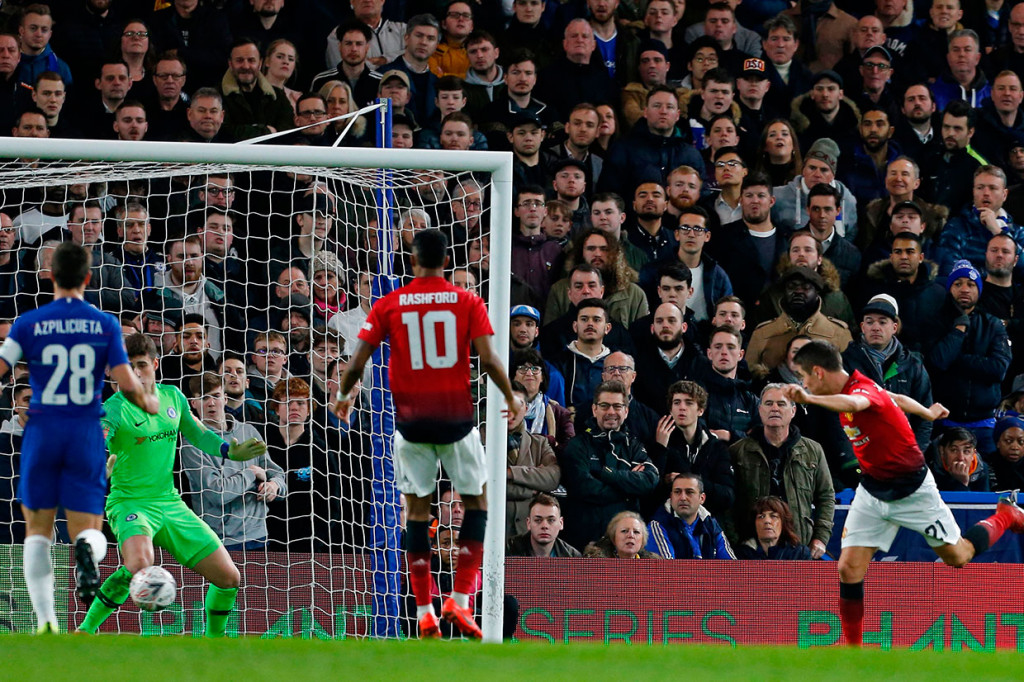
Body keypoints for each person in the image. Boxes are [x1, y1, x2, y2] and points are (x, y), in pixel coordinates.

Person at [333, 229, 523, 640]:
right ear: (445, 260)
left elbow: (357, 360)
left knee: (417, 514)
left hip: (411, 424)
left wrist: (345, 394)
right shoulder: (467, 300)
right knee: (477, 504)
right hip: (455, 420)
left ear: (414, 260)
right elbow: (488, 359)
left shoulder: (388, 303)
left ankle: (423, 610)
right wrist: (512, 397)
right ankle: (458, 598)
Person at [785, 339, 1024, 647]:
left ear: (817, 372)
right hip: (873, 490)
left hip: (913, 490)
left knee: (958, 556)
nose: (803, 384)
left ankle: (1006, 516)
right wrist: (926, 411)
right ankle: (852, 653)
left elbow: (855, 405)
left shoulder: (858, 393)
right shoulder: (863, 384)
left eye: (804, 377)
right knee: (848, 568)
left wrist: (809, 398)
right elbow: (895, 397)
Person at [0, 243, 158, 633]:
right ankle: (87, 551)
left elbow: (2, 366)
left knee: (37, 529)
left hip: (42, 430)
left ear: (50, 276)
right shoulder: (103, 323)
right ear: (88, 279)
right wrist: (148, 401)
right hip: (85, 430)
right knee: (89, 526)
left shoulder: (28, 322)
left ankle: (46, 621)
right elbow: (125, 382)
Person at [77, 333, 266, 636]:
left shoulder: (173, 397)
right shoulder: (114, 408)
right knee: (140, 562)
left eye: (140, 365)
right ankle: (85, 631)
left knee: (229, 577)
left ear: (154, 364)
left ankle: (214, 644)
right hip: (130, 503)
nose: (135, 373)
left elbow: (199, 433)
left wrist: (230, 451)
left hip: (170, 503)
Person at [730, 382, 835, 556]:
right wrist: (735, 541)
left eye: (781, 404)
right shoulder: (738, 451)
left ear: (793, 411)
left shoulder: (813, 450)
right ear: (760, 410)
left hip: (800, 545)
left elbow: (826, 496)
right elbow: (728, 503)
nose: (775, 409)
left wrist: (821, 538)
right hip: (751, 548)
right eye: (769, 404)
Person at [921, 260, 1011, 456]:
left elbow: (998, 369)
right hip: (943, 422)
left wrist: (956, 360)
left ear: (978, 290)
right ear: (949, 288)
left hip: (984, 424)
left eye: (970, 284)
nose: (964, 289)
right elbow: (935, 363)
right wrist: (959, 329)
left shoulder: (992, 324)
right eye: (958, 283)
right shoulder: (935, 322)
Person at [560, 380, 658, 551]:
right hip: (584, 541)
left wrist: (607, 474)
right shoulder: (577, 445)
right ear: (594, 409)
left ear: (626, 411)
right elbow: (583, 487)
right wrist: (628, 491)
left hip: (625, 546)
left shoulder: (633, 445)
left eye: (617, 406)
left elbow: (649, 480)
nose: (611, 412)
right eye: (605, 406)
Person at [842, 295, 934, 453]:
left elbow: (925, 415)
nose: (876, 327)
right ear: (863, 327)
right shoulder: (846, 363)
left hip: (903, 453)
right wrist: (851, 460)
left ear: (894, 327)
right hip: (862, 454)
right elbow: (836, 415)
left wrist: (914, 453)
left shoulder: (913, 365)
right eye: (870, 322)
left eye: (883, 322)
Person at [647, 380, 735, 521]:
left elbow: (727, 496)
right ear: (670, 409)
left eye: (689, 403)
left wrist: (690, 482)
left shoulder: (716, 447)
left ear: (700, 410)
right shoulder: (658, 442)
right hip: (667, 522)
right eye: (677, 403)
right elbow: (650, 491)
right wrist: (660, 449)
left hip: (707, 524)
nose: (682, 408)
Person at [504, 382, 560, 536]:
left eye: (517, 404)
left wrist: (510, 473)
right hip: (493, 535)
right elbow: (484, 485)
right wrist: (531, 490)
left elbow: (553, 477)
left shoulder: (540, 443)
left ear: (526, 409)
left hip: (531, 537)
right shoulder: (481, 442)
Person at [647, 473, 734, 559]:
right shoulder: (658, 525)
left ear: (702, 498)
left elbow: (732, 567)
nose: (683, 497)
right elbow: (667, 570)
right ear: (671, 496)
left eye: (689, 492)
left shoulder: (711, 525)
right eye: (677, 492)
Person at [505, 493, 582, 557]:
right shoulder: (507, 550)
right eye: (538, 520)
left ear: (561, 523)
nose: (544, 526)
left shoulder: (573, 556)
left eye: (551, 520)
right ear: (528, 523)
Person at [736, 496, 813, 560]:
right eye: (761, 517)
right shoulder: (740, 554)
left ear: (783, 523)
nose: (767, 521)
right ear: (754, 523)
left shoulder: (800, 554)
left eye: (773, 516)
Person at [927, 427, 992, 492]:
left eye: (966, 451)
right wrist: (959, 483)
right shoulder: (930, 470)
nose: (961, 458)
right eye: (954, 450)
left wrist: (962, 482)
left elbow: (982, 500)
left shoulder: (982, 470)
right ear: (942, 451)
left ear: (973, 454)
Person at [583, 510, 659, 559]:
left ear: (643, 540)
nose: (631, 535)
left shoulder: (655, 566)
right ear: (613, 537)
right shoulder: (594, 564)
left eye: (636, 532)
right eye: (624, 531)